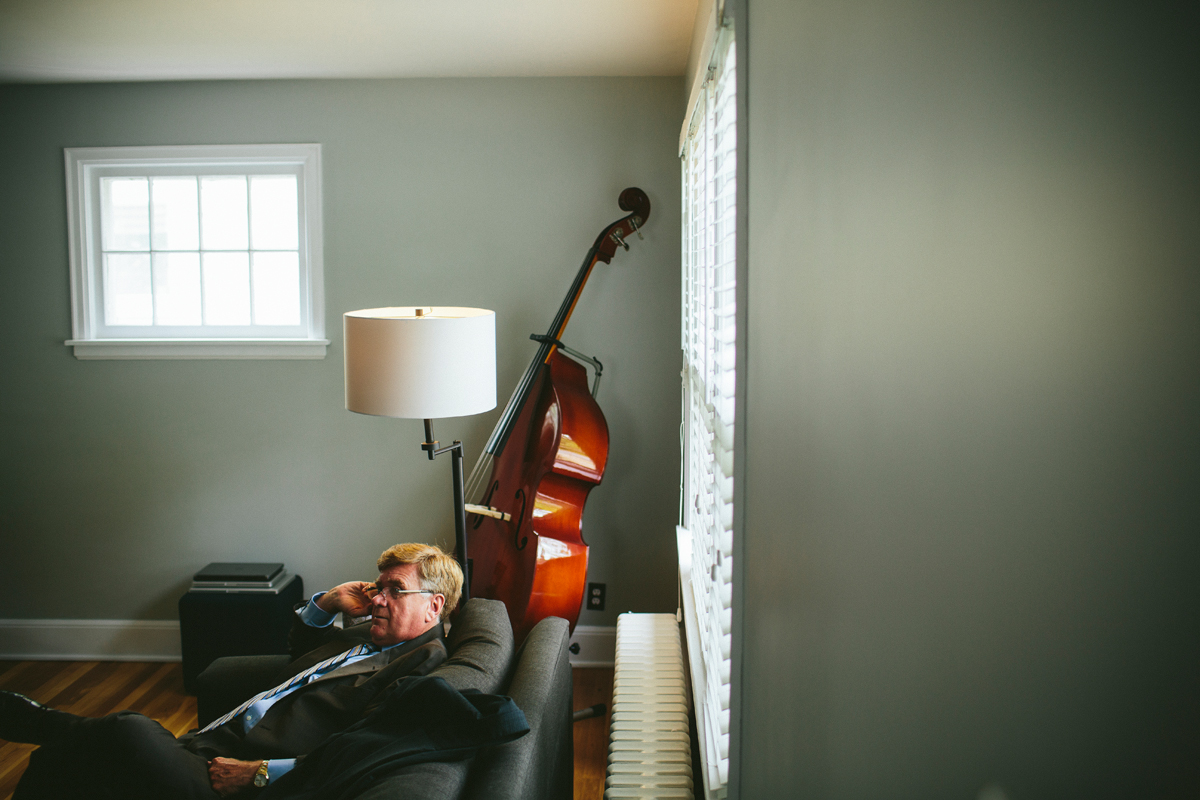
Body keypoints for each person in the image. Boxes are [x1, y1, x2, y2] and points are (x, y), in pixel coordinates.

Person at [0, 542, 463, 799]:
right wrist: (326, 603)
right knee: (62, 760)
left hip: (240, 782)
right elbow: (300, 649)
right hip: (209, 744)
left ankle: (37, 719)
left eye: (394, 590)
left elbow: (370, 745)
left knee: (130, 732)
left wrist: (262, 773)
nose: (378, 598)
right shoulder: (364, 635)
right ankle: (50, 735)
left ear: (434, 605)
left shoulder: (422, 662)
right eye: (378, 586)